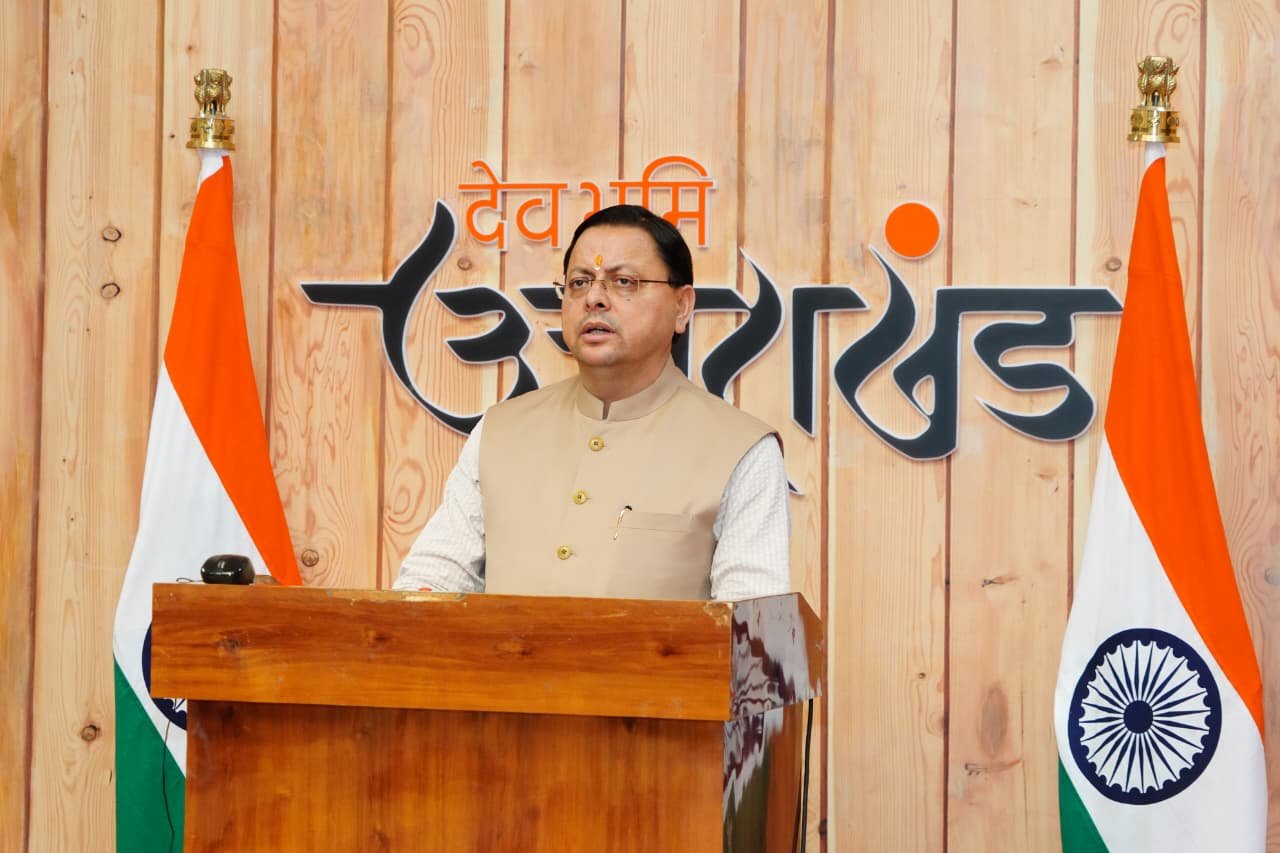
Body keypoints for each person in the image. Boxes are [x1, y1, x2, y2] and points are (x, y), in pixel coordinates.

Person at [393, 204, 789, 600]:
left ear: (682, 306)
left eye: (624, 282)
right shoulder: (499, 433)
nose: (594, 298)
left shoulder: (741, 450)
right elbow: (433, 579)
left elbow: (751, 625)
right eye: (580, 282)